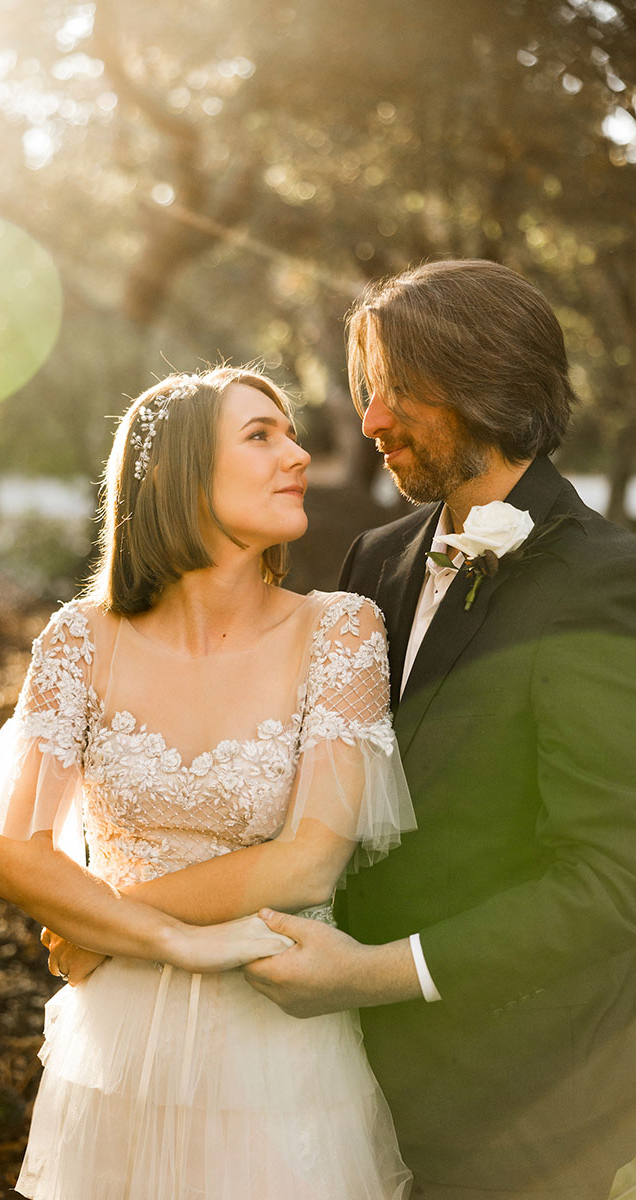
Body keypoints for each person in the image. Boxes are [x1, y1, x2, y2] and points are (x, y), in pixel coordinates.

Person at [0, 365, 416, 1200]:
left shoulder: (340, 633)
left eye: (290, 435)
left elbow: (308, 863)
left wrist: (106, 921)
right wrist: (171, 940)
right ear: (175, 472)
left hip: (277, 1042)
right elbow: (18, 862)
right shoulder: (78, 641)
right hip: (115, 1046)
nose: (298, 457)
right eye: (260, 435)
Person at [244, 260, 636, 1200]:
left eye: (397, 392)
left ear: (489, 383)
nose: (369, 420)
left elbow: (610, 878)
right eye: (367, 392)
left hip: (523, 1105)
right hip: (340, 1079)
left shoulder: (605, 582)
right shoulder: (374, 559)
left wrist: (377, 975)